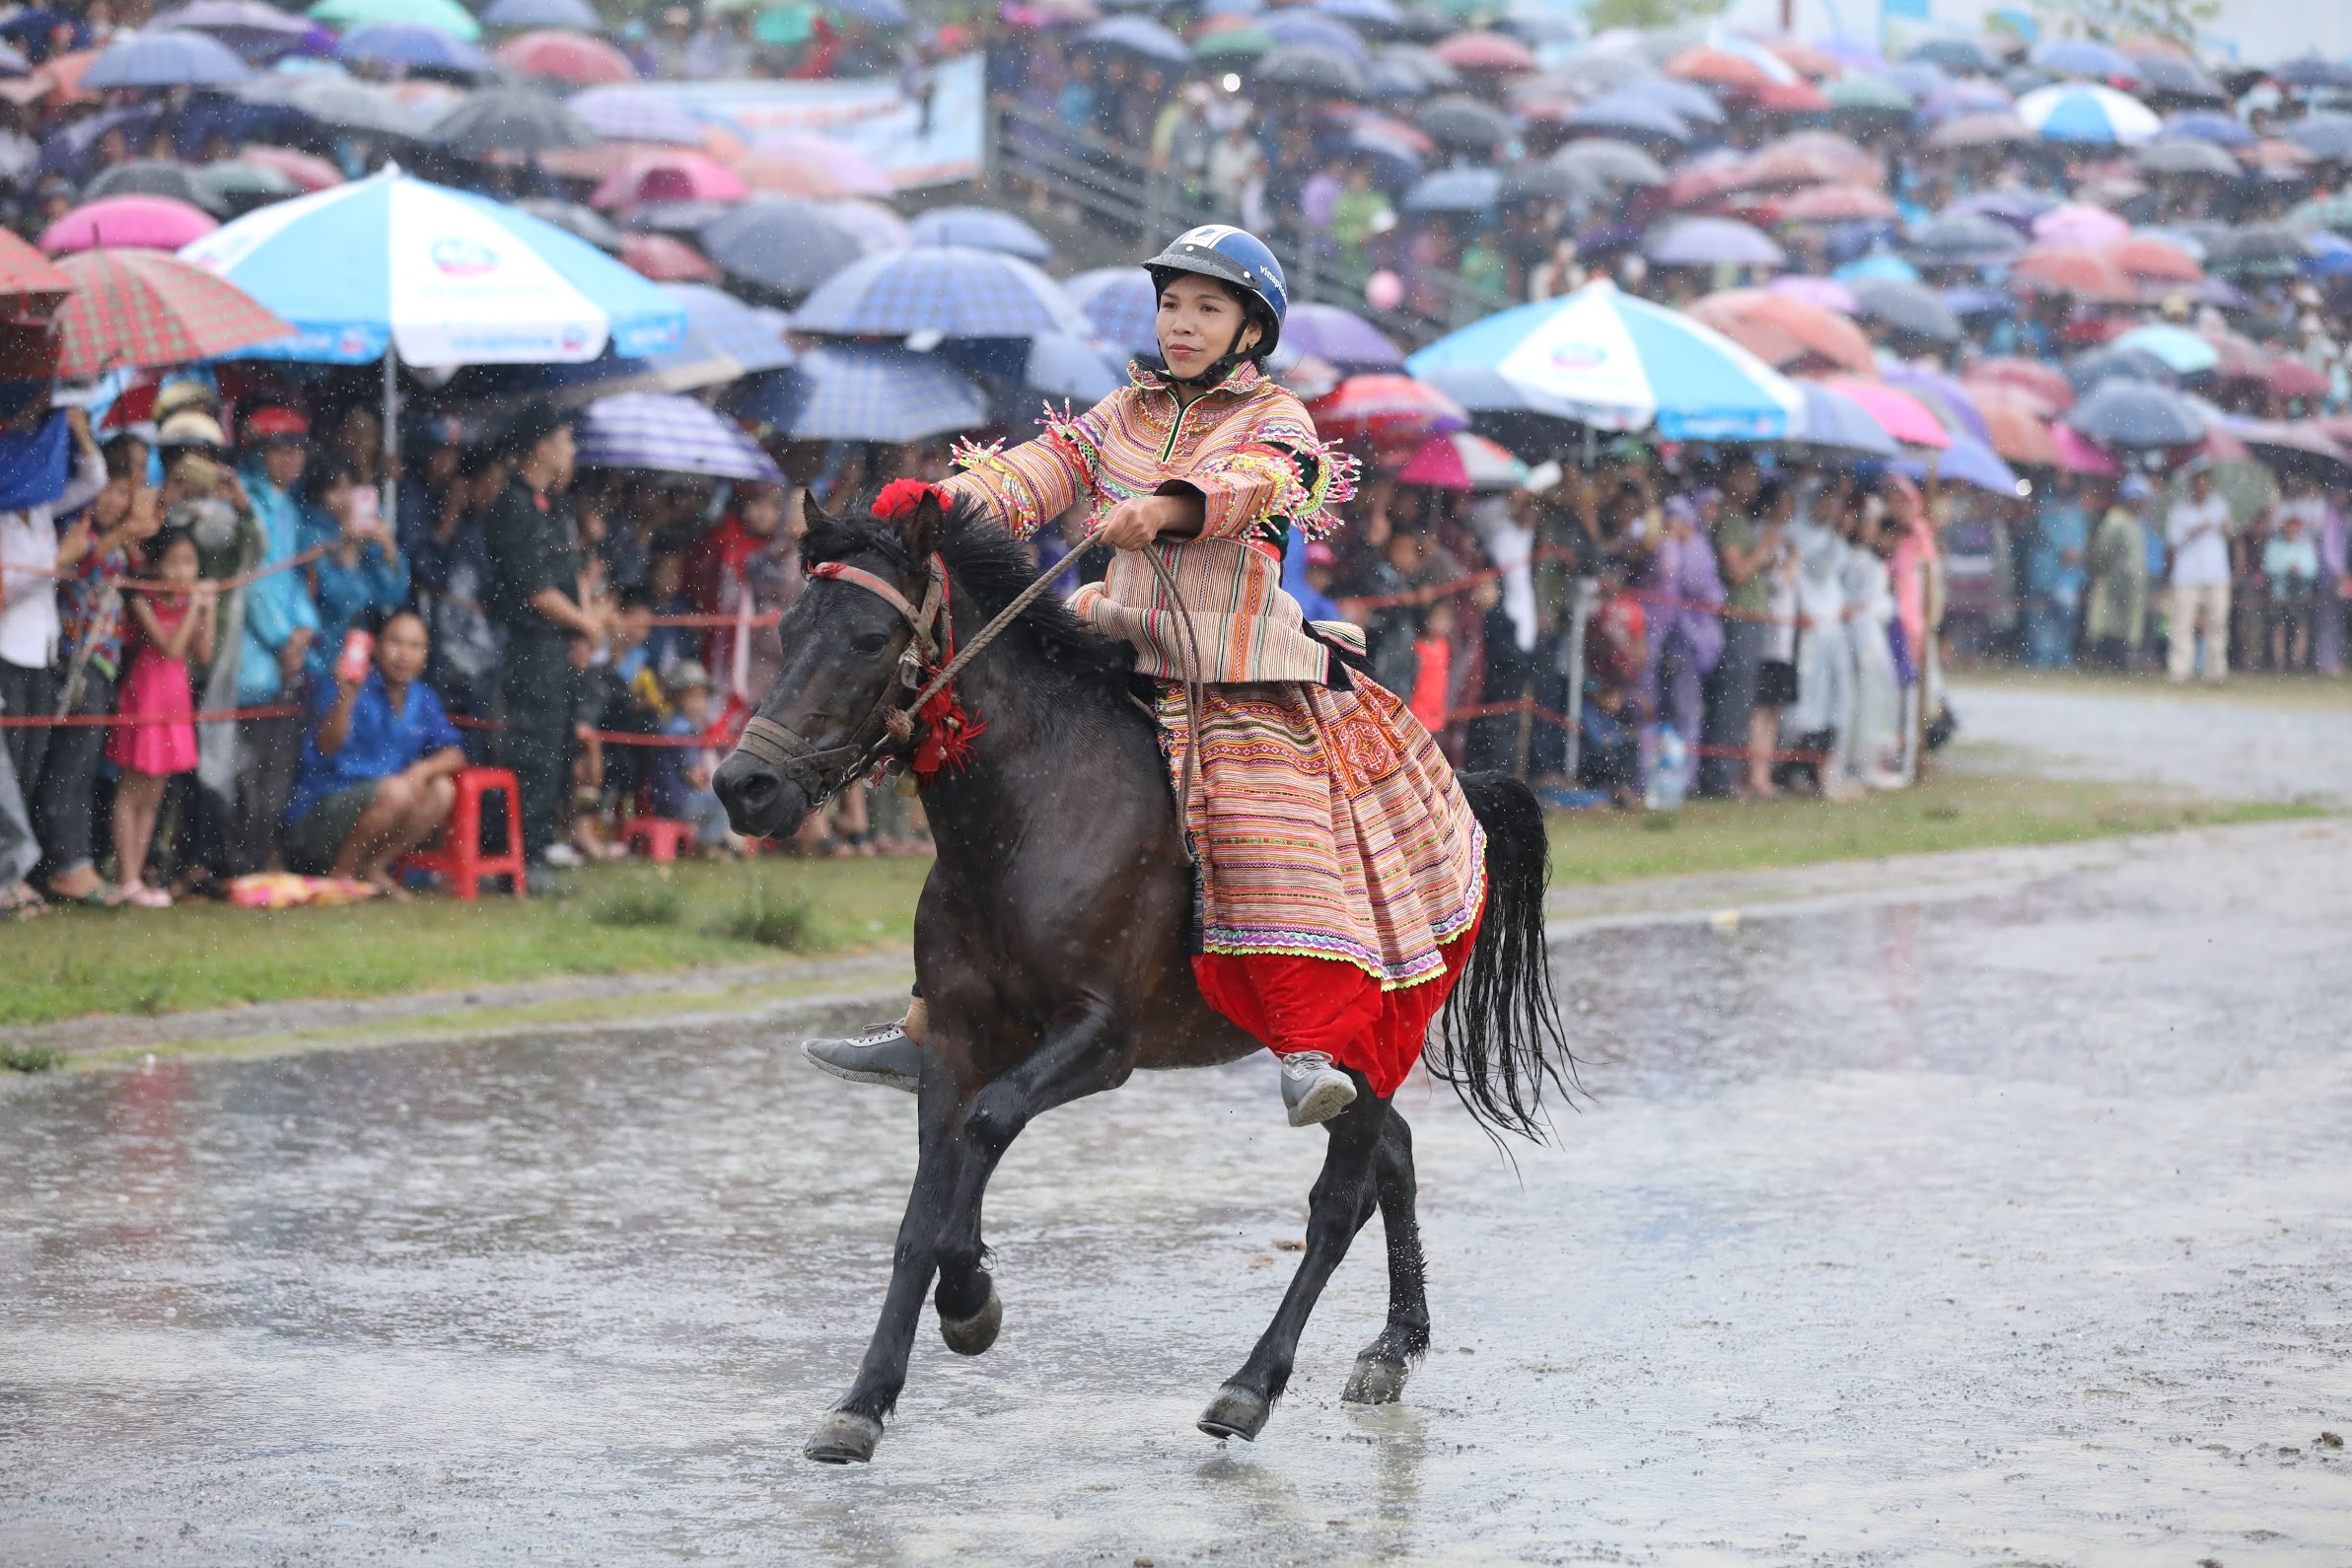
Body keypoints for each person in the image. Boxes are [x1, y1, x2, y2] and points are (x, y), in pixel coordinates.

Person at [807, 225, 1487, 1131]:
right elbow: (1033, 474)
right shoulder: (1121, 411)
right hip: (1117, 642)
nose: (1182, 323)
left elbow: (1256, 483)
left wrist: (1167, 509)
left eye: (1207, 307)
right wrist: (939, 504)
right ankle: (928, 1021)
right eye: (1171, 303)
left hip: (1232, 665)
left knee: (1254, 822)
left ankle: (1303, 1044)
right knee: (984, 782)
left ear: (1251, 330)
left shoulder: (1275, 416)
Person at [484, 407, 601, 871]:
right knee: (533, 752)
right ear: (542, 446)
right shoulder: (512, 505)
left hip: (562, 648)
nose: (571, 449)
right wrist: (586, 625)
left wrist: (583, 628)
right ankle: (522, 856)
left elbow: (569, 579)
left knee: (557, 749)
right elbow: (536, 591)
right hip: (531, 648)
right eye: (565, 438)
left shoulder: (550, 507)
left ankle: (543, 841)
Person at [283, 607, 464, 893]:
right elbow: (325, 747)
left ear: (425, 655)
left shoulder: (423, 697)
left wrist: (423, 769)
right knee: (396, 791)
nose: (404, 654)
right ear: (376, 647)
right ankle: (341, 874)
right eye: (395, 642)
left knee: (442, 789)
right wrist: (346, 699)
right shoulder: (349, 684)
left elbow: (455, 752)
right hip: (321, 815)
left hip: (382, 809)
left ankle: (374, 868)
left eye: (415, 646)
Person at [231, 406, 322, 876]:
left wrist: (305, 632)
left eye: (298, 449)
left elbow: (293, 579)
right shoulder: (246, 500)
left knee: (277, 770)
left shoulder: (287, 506)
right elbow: (258, 583)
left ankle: (260, 857)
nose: (293, 460)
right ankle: (238, 863)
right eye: (281, 449)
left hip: (285, 661)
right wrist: (287, 640)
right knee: (247, 769)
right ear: (257, 452)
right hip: (250, 661)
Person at [107, 525, 215, 907]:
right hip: (145, 698)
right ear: (156, 566)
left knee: (154, 795)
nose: (182, 571)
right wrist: (193, 608)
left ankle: (136, 878)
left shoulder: (188, 603)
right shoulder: (142, 599)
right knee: (132, 788)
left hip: (175, 702)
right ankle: (126, 876)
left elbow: (203, 654)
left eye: (189, 562)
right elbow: (170, 647)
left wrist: (209, 611)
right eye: (174, 562)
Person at [2165, 459, 2234, 684]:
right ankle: (2179, 671)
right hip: (2187, 575)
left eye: (2206, 480)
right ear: (2192, 485)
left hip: (2216, 573)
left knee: (2217, 624)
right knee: (2182, 624)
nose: (2202, 485)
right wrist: (2194, 530)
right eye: (2198, 481)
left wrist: (2226, 526)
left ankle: (2215, 672)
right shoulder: (2180, 510)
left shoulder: (2220, 506)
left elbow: (2232, 534)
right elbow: (2172, 540)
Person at [2084, 476, 2150, 671]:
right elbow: (2103, 551)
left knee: (2126, 626)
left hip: (2131, 586)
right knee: (2107, 623)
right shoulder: (2115, 521)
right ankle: (2102, 661)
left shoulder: (2135, 523)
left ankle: (2121, 662)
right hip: (2113, 583)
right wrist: (2107, 572)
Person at [2264, 509, 2319, 671]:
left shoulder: (2305, 547)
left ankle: (2298, 663)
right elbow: (2270, 567)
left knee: (2301, 627)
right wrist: (2287, 568)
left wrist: (2299, 569)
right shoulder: (2274, 545)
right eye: (2290, 528)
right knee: (2279, 627)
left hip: (2301, 592)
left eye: (2296, 529)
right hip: (2280, 591)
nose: (2292, 532)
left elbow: (2312, 570)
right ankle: (2279, 663)